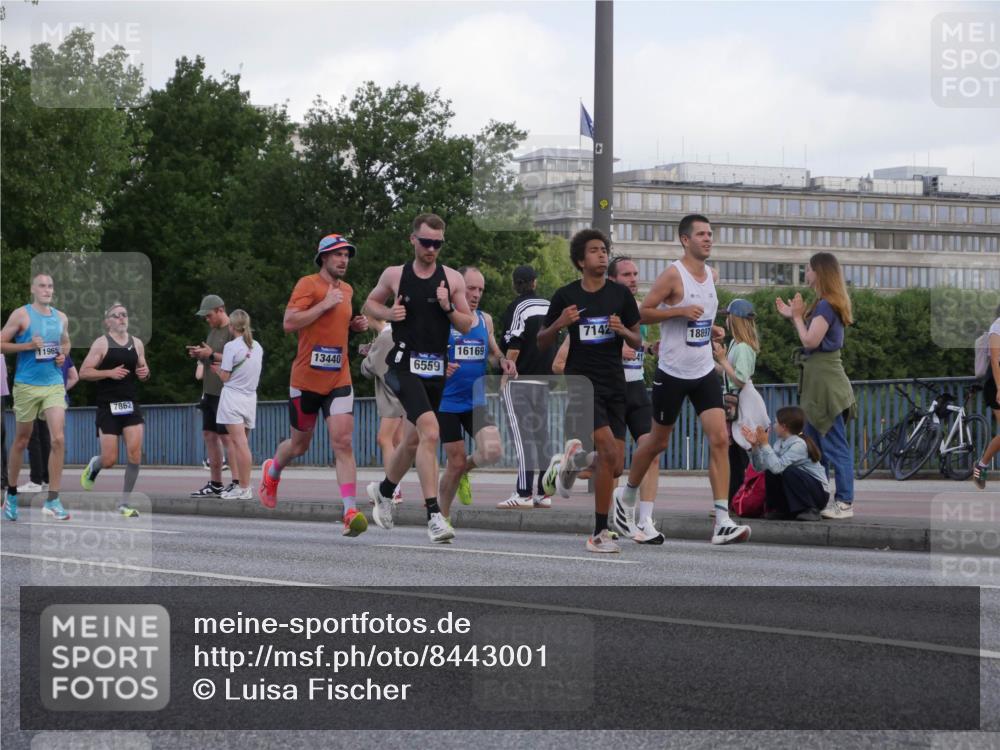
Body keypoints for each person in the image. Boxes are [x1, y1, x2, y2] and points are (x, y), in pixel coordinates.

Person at [612, 215, 752, 546]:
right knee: (656, 443)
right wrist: (676, 311)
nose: (708, 239)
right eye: (701, 234)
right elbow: (641, 313)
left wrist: (711, 329)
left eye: (710, 234)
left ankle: (722, 521)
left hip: (703, 370)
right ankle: (626, 494)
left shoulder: (709, 277)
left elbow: (698, 318)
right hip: (672, 372)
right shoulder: (674, 275)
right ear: (684, 240)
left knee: (720, 439)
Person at [363, 213, 475, 544]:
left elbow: (467, 324)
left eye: (437, 244)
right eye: (426, 242)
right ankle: (434, 516)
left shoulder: (452, 279)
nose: (431, 249)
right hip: (402, 365)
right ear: (413, 240)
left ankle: (383, 491)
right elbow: (370, 304)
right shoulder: (395, 275)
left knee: (413, 441)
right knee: (431, 432)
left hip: (435, 369)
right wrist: (388, 314)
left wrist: (447, 308)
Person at [536, 228, 642, 553]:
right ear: (581, 260)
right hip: (583, 383)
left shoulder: (620, 295)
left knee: (616, 464)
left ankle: (572, 462)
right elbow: (541, 341)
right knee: (609, 452)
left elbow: (638, 340)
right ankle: (599, 532)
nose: (602, 255)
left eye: (604, 250)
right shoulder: (566, 296)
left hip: (615, 382)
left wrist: (623, 330)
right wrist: (559, 324)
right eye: (594, 250)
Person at [258, 234, 370, 537]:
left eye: (347, 255)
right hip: (306, 380)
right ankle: (272, 472)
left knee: (343, 442)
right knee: (299, 445)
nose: (343, 260)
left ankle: (349, 510)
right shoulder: (308, 285)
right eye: (337, 255)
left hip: (339, 378)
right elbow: (290, 322)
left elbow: (336, 324)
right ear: (323, 257)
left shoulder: (348, 290)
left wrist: (354, 326)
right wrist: (324, 304)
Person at [587, 255, 664, 545]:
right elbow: (571, 353)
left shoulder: (635, 311)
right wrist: (616, 352)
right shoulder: (600, 307)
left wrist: (649, 347)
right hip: (611, 391)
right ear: (612, 280)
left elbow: (635, 343)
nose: (634, 279)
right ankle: (606, 522)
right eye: (627, 275)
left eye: (635, 274)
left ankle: (645, 519)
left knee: (651, 449)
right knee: (611, 461)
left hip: (637, 390)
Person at [776, 252, 856, 519]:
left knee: (833, 445)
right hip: (819, 382)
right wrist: (793, 315)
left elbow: (810, 341)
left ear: (819, 272)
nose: (806, 273)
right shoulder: (826, 304)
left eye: (808, 269)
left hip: (825, 385)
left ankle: (844, 501)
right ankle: (817, 498)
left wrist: (797, 317)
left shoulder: (825, 305)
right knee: (814, 446)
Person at [438, 266, 515, 524]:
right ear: (457, 288)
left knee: (493, 451)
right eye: (471, 288)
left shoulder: (485, 320)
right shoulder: (442, 318)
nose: (476, 294)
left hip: (475, 400)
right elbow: (422, 354)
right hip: (446, 402)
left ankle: (464, 471)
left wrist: (504, 362)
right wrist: (440, 366)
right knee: (455, 461)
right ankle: (442, 517)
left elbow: (493, 354)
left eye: (480, 289)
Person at [1, 273, 72, 522]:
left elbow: (65, 343)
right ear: (33, 289)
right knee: (22, 440)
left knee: (58, 439)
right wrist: (27, 346)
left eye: (50, 286)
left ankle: (53, 499)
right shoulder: (21, 315)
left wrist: (63, 356)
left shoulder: (60, 317)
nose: (47, 289)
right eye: (42, 285)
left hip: (53, 383)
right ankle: (10, 495)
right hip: (26, 385)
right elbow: (1, 343)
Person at [78, 303, 150, 517]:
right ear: (107, 321)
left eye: (124, 315)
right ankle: (95, 465)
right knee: (110, 459)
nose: (121, 318)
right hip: (107, 407)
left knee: (135, 454)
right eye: (116, 316)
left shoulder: (136, 343)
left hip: (130, 404)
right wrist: (108, 372)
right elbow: (84, 372)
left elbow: (143, 370)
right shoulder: (101, 344)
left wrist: (145, 373)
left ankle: (124, 503)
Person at [497, 265, 556, 508]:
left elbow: (514, 344)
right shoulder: (549, 306)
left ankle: (523, 492)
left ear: (515, 284)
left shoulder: (518, 307)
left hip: (521, 379)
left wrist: (504, 378)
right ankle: (543, 492)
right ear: (534, 282)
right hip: (545, 380)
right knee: (542, 436)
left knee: (523, 438)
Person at [187, 295, 236, 497]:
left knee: (227, 438)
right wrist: (201, 355)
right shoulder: (213, 332)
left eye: (209, 316)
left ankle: (237, 482)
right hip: (210, 391)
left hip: (226, 392)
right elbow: (211, 357)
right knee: (209, 435)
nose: (207, 320)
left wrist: (211, 355)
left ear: (220, 310)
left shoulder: (234, 330)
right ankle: (215, 483)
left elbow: (242, 358)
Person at [742, 406, 829, 521]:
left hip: (818, 495)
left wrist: (765, 445)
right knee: (771, 470)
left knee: (788, 470)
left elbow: (778, 467)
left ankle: (811, 509)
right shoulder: (780, 443)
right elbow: (760, 468)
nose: (773, 425)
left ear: (784, 427)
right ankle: (780, 510)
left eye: (776, 422)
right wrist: (755, 447)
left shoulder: (799, 445)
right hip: (805, 490)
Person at [713, 298, 760, 501]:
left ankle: (737, 497)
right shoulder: (736, 344)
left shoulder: (743, 348)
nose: (727, 321)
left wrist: (722, 360)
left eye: (728, 317)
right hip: (735, 401)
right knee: (733, 451)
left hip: (740, 401)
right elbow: (727, 372)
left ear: (736, 319)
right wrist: (712, 359)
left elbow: (740, 379)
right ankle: (734, 497)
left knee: (737, 451)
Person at [214, 310, 263, 500]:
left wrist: (217, 370)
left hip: (233, 397)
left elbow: (225, 376)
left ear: (231, 326)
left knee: (239, 444)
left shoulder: (231, 347)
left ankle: (244, 486)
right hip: (250, 398)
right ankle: (242, 485)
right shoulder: (257, 346)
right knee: (242, 444)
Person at [359, 319, 405, 504]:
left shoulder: (385, 336)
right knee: (398, 441)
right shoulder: (396, 332)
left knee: (384, 439)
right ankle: (396, 487)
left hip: (391, 397)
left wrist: (367, 355)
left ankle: (392, 490)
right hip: (403, 393)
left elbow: (368, 370)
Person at [23, 353, 78, 492]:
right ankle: (47, 478)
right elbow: (74, 377)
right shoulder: (63, 351)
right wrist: (58, 391)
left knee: (33, 437)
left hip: (36, 397)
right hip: (55, 400)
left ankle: (35, 480)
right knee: (49, 438)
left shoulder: (38, 350)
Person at [973, 305, 1000, 489]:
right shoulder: (997, 327)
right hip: (996, 384)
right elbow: (995, 360)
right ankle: (981, 465)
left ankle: (980, 465)